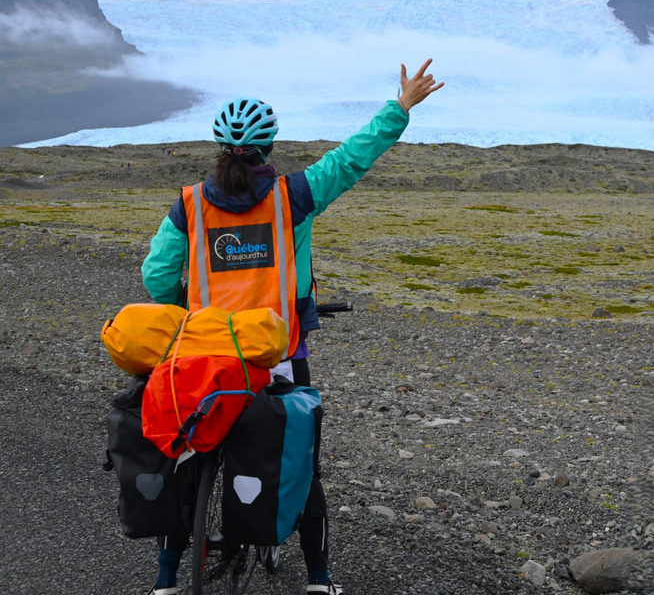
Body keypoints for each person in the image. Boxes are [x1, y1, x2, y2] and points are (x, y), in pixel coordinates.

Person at [140, 60, 443, 595]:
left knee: (187, 452)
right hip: (276, 356)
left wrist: (186, 311)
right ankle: (320, 580)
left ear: (219, 149)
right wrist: (401, 107)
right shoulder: (293, 196)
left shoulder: (188, 207)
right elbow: (351, 159)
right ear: (268, 148)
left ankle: (167, 579)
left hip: (203, 356)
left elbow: (157, 275)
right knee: (301, 465)